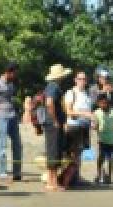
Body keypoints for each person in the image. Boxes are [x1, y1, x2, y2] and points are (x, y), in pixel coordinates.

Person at [0, 62, 21, 181]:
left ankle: (17, 171)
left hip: (13, 115)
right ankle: (2, 172)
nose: (16, 75)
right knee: (2, 145)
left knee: (17, 144)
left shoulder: (12, 84)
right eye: (14, 73)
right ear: (9, 72)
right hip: (1, 116)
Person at [42, 63, 71, 192]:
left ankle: (52, 181)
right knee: (53, 152)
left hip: (53, 122)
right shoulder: (53, 86)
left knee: (55, 151)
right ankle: (51, 182)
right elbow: (49, 103)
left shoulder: (54, 87)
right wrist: (54, 120)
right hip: (52, 123)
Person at [63, 71, 93, 183]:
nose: (82, 81)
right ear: (75, 80)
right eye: (80, 79)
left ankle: (76, 176)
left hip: (84, 126)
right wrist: (84, 114)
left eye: (84, 79)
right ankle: (69, 178)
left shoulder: (86, 94)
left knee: (79, 152)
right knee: (71, 153)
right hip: (74, 126)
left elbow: (88, 111)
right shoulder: (71, 93)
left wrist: (92, 119)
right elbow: (69, 111)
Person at [93, 93, 113, 185]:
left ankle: (109, 177)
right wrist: (94, 126)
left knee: (110, 159)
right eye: (101, 103)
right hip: (101, 139)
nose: (103, 105)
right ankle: (99, 175)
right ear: (98, 103)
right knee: (101, 158)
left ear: (108, 103)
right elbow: (94, 124)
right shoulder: (96, 112)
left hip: (112, 139)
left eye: (105, 103)